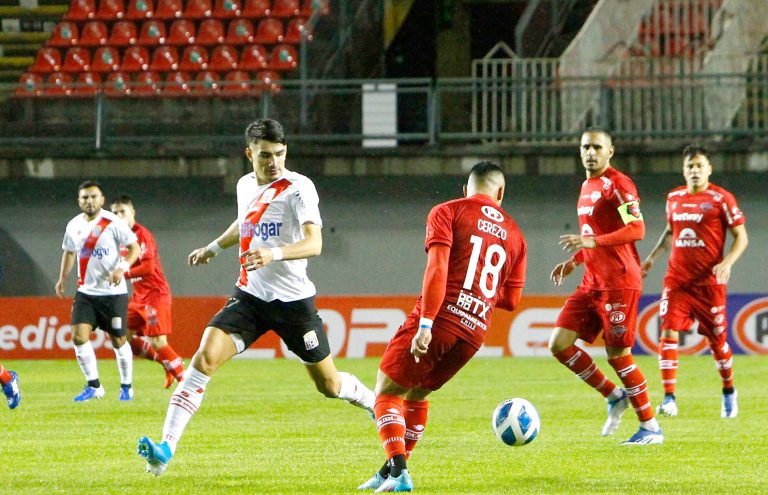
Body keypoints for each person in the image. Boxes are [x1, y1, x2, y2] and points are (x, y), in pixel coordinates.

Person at [137, 118, 375, 476]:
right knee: (203, 359)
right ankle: (165, 449)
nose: (274, 162)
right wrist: (213, 248)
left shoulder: (299, 188)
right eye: (265, 155)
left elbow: (315, 243)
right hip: (249, 296)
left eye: (279, 153)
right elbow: (244, 222)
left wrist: (272, 254)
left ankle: (373, 401)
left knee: (329, 385)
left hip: (293, 304)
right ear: (249, 154)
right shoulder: (245, 185)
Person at [358, 161, 527, 492]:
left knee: (386, 392)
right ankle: (390, 471)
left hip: (441, 319)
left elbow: (437, 268)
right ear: (501, 193)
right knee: (417, 394)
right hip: (474, 331)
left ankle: (399, 473)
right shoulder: (516, 235)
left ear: (466, 189)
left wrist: (425, 324)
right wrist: (476, 293)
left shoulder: (448, 210)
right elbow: (511, 300)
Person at [548, 128, 663, 445]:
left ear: (610, 151)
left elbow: (637, 229)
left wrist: (592, 242)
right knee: (559, 344)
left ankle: (651, 427)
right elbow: (593, 234)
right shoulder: (586, 186)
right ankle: (614, 395)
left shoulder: (618, 184)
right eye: (586, 147)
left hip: (619, 282)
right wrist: (575, 260)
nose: (590, 152)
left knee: (618, 355)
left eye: (597, 147)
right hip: (591, 282)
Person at [641, 145, 748, 418]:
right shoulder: (674, 197)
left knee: (717, 342)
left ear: (709, 169)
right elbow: (670, 232)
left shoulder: (721, 199)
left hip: (709, 284)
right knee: (668, 332)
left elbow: (742, 236)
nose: (695, 170)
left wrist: (727, 262)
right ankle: (669, 398)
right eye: (690, 166)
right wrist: (652, 258)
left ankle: (728, 391)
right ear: (684, 170)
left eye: (700, 165)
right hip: (677, 281)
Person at [55, 180, 141, 402]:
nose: (89, 201)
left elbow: (134, 248)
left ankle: (126, 387)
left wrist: (122, 268)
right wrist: (63, 277)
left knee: (118, 340)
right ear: (79, 201)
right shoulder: (73, 225)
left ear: (102, 200)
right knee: (78, 336)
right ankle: (94, 386)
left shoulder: (113, 222)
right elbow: (69, 252)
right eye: (85, 197)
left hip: (113, 294)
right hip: (86, 293)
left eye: (94, 197)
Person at [111, 195, 185, 389]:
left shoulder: (141, 234)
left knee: (158, 342)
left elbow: (148, 267)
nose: (119, 216)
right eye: (115, 213)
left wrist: (122, 273)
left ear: (132, 212)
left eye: (122, 211)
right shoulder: (120, 239)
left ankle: (188, 385)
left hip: (155, 295)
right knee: (120, 337)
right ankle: (167, 364)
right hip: (138, 298)